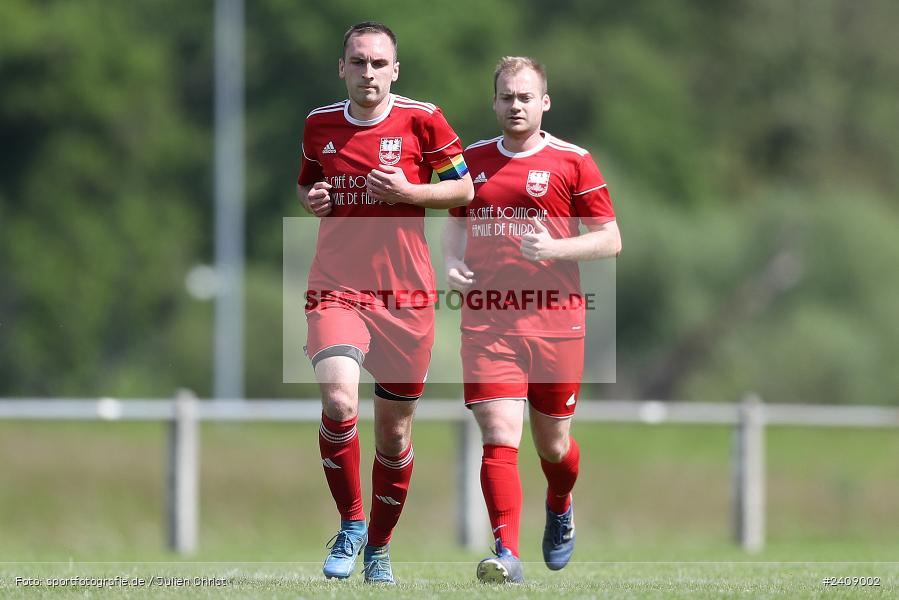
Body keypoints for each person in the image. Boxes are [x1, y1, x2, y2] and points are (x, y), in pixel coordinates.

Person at [297, 21, 473, 584]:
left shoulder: (424, 119)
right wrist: (314, 198)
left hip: (405, 296)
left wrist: (410, 194)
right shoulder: (319, 125)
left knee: (393, 432)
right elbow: (307, 183)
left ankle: (378, 546)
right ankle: (350, 523)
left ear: (395, 69)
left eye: (378, 63)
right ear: (341, 67)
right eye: (358, 62)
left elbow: (464, 189)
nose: (367, 72)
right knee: (340, 400)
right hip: (336, 286)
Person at [442, 56, 621, 584]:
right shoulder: (470, 160)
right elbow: (456, 219)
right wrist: (451, 260)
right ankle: (506, 554)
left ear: (544, 102)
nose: (515, 105)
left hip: (555, 321)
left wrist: (555, 247)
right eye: (506, 96)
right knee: (499, 433)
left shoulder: (573, 161)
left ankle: (560, 503)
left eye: (526, 97)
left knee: (553, 445)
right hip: (487, 321)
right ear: (493, 102)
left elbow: (611, 238)